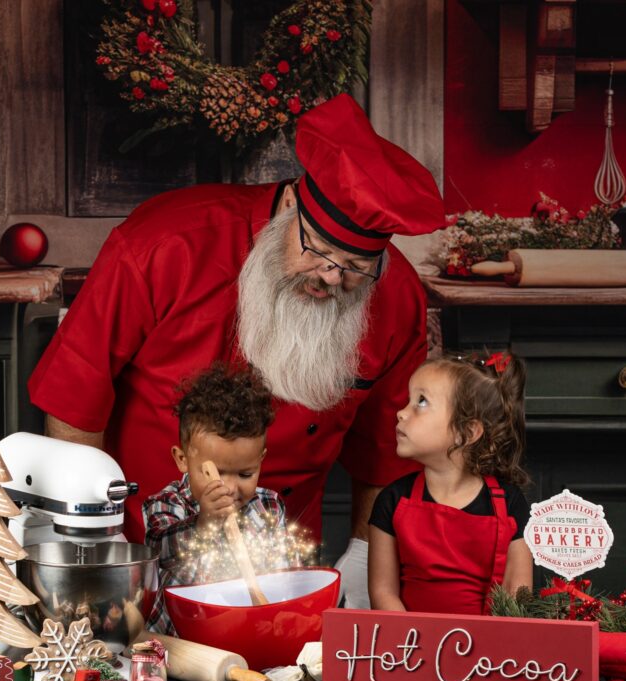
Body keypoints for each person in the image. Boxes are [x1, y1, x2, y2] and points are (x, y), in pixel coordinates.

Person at [28, 93, 447, 608]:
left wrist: (364, 554)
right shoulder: (163, 245)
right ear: (292, 203)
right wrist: (97, 545)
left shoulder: (397, 297)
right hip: (144, 555)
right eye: (317, 250)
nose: (332, 277)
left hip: (285, 572)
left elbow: (388, 451)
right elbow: (74, 398)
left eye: (356, 267)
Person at [368, 353, 534, 615]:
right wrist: (413, 640)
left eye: (421, 402)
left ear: (466, 432)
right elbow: (382, 592)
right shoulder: (392, 500)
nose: (401, 412)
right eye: (409, 400)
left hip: (487, 650)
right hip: (410, 647)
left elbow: (517, 593)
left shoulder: (509, 503)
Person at [142, 364, 287, 634]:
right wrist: (205, 522)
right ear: (182, 459)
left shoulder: (269, 506)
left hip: (242, 632)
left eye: (246, 473)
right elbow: (158, 551)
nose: (231, 488)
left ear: (261, 460)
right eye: (217, 473)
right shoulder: (165, 504)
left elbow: (282, 573)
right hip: (177, 641)